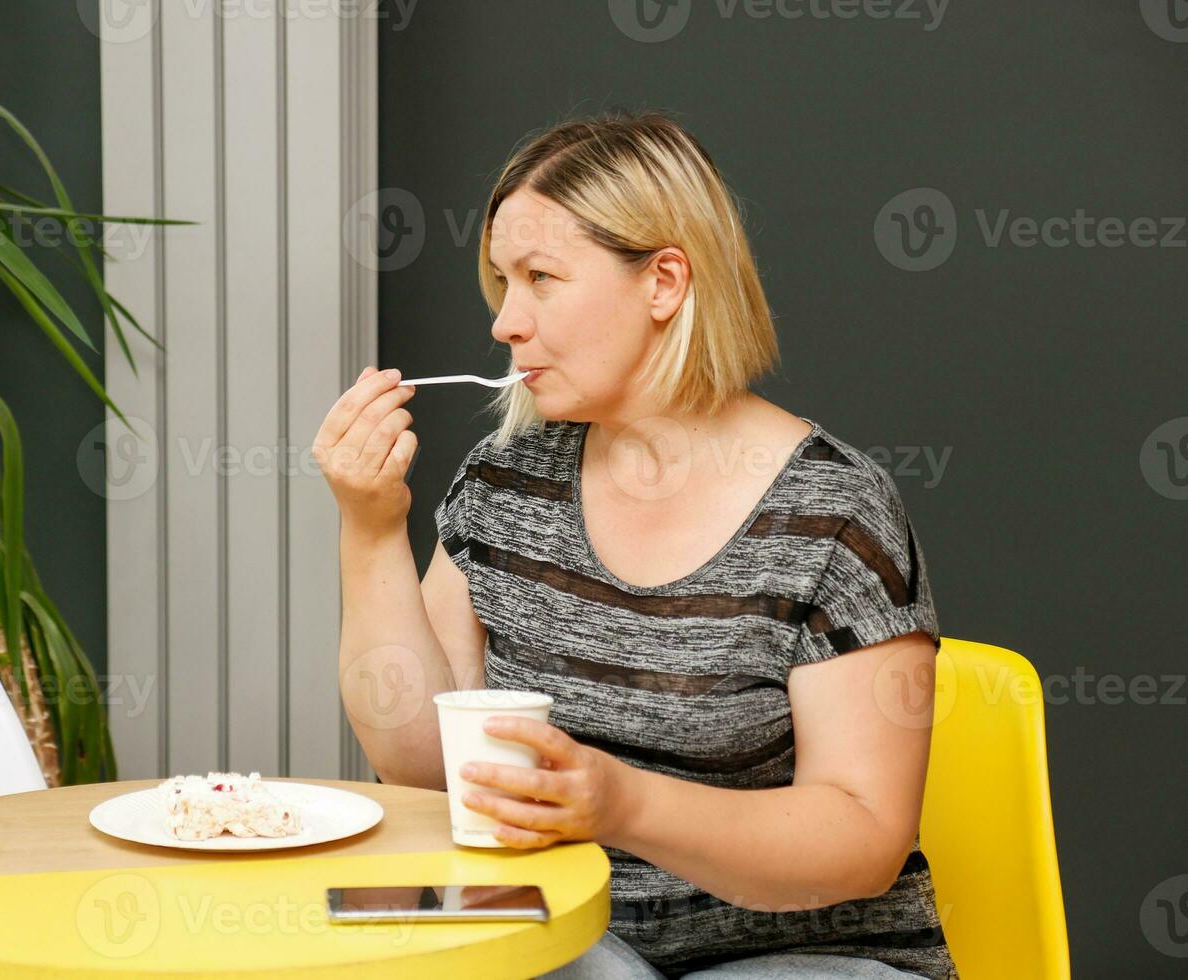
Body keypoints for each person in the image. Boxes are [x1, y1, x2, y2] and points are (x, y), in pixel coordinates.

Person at [313, 110, 959, 980]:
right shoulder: (507, 479)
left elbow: (862, 839)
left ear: (663, 282)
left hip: (803, 952)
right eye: (503, 281)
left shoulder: (832, 512)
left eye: (542, 277)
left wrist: (619, 803)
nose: (506, 322)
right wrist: (371, 525)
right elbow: (425, 765)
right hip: (561, 932)